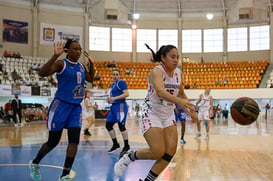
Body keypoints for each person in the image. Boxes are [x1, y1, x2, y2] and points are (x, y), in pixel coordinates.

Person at [114, 44, 197, 181]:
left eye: (177, 57)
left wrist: (192, 109)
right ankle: (129, 157)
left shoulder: (178, 73)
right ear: (163, 58)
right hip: (152, 113)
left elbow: (181, 92)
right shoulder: (157, 72)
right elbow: (160, 91)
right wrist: (179, 102)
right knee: (157, 151)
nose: (176, 60)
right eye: (172, 57)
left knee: (169, 153)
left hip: (168, 114)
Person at [29, 39, 95, 181]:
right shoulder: (61, 64)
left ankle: (65, 174)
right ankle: (35, 162)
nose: (78, 52)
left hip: (76, 108)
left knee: (74, 141)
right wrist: (54, 56)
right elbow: (42, 73)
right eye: (75, 49)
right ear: (67, 50)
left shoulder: (81, 66)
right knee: (53, 142)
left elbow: (91, 79)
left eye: (80, 49)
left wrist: (92, 64)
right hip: (60, 106)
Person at [105, 69, 130, 157]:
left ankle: (127, 146)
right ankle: (115, 144)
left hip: (121, 106)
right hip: (114, 107)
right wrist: (110, 100)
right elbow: (113, 97)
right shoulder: (113, 84)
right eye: (113, 74)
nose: (115, 76)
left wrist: (114, 98)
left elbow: (127, 94)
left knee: (121, 126)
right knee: (108, 125)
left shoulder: (121, 82)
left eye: (116, 74)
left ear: (119, 75)